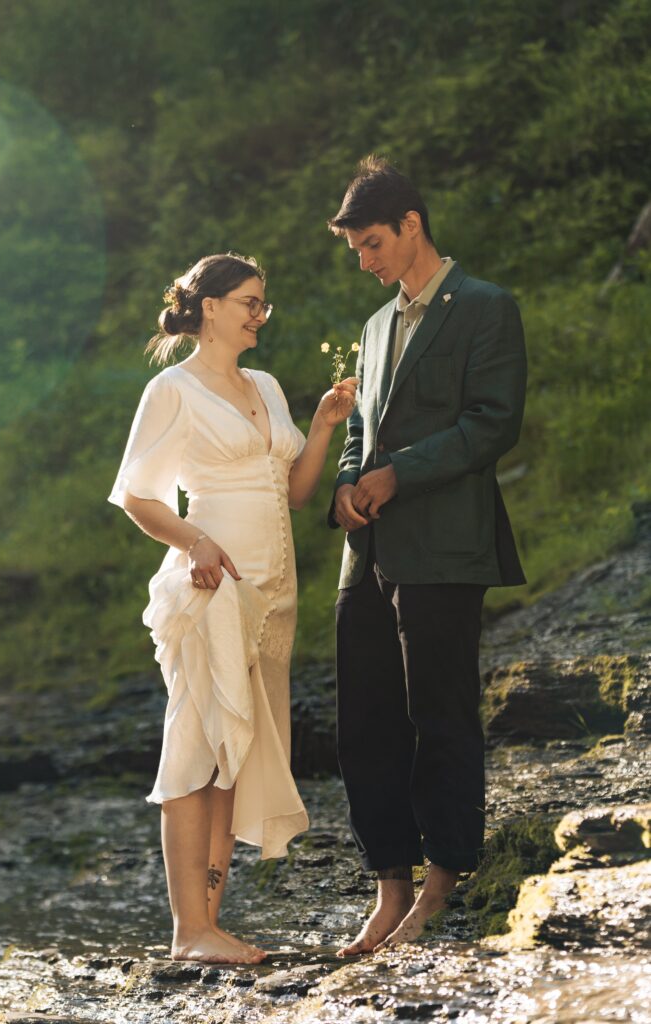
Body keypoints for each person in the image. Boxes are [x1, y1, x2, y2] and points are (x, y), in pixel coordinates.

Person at [109, 252, 356, 964]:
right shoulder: (172, 390)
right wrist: (197, 543)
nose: (259, 314)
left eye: (263, 303)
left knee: (233, 753)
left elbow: (294, 493)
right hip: (211, 586)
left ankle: (209, 925)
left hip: (272, 596)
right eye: (248, 301)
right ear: (208, 307)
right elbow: (139, 496)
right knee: (195, 748)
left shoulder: (267, 384)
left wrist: (320, 428)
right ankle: (190, 932)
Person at [326, 157, 527, 954]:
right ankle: (390, 891)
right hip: (366, 550)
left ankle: (443, 886)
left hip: (444, 547)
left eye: (372, 244)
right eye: (356, 252)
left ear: (411, 224)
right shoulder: (375, 328)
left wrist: (396, 474)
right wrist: (348, 481)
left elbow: (491, 423)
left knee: (438, 715)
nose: (366, 262)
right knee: (362, 724)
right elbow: (357, 431)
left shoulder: (485, 307)